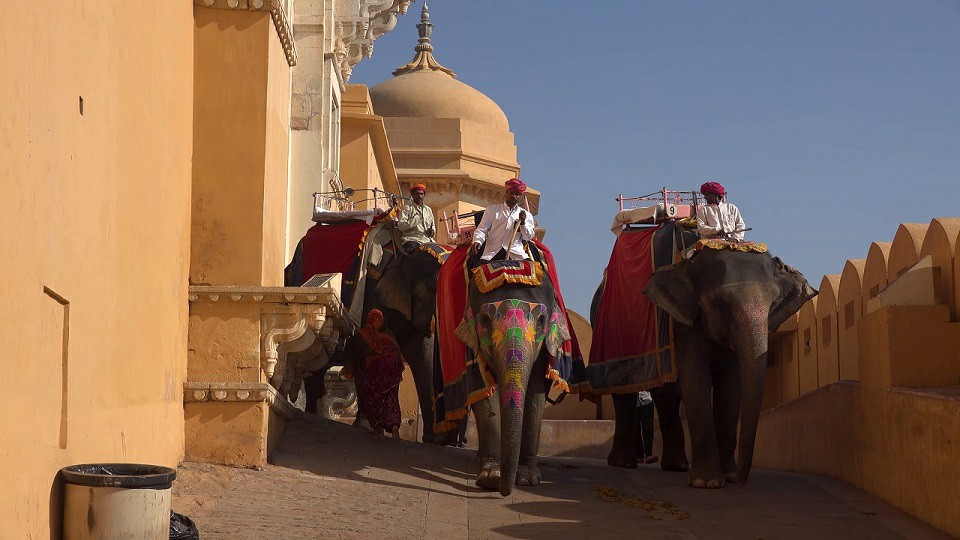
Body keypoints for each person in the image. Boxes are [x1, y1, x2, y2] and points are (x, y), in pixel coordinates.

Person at [353, 309, 406, 440]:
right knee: (391, 398)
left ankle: (376, 430)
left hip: (375, 370)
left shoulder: (364, 333)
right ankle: (394, 429)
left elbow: (358, 353)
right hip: (392, 371)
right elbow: (397, 353)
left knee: (372, 398)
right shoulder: (389, 334)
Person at [471, 178, 535, 261]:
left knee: (532, 271)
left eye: (517, 194)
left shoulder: (527, 215)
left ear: (520, 196)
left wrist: (523, 223)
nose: (513, 196)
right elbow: (482, 229)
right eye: (511, 193)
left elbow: (528, 237)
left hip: (516, 253)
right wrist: (477, 241)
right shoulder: (492, 210)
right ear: (506, 193)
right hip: (492, 252)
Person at [397, 183, 436, 251]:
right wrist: (417, 219)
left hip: (427, 240)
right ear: (412, 195)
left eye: (421, 194)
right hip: (412, 239)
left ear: (424, 195)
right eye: (417, 194)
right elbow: (401, 226)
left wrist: (432, 232)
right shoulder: (407, 208)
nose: (419, 196)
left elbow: (432, 226)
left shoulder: (428, 210)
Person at [636, 391, 658, 464]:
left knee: (648, 428)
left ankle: (648, 455)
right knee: (636, 430)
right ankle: (639, 455)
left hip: (646, 400)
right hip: (634, 402)